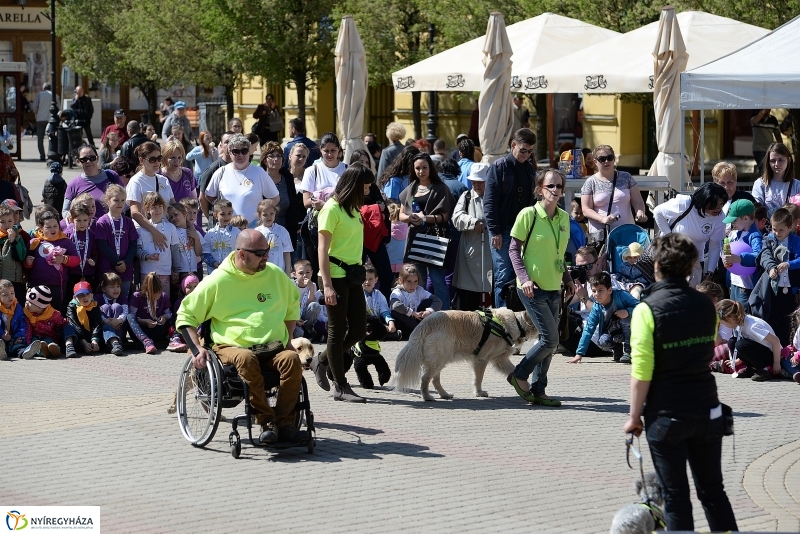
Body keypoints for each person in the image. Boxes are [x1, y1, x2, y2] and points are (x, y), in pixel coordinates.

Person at [623, 233, 738, 532]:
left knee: (675, 497)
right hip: (706, 407)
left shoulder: (646, 310)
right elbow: (711, 344)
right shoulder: (706, 305)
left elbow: (642, 371)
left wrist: (634, 417)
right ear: (689, 267)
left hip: (666, 413)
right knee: (713, 491)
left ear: (657, 265)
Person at [177, 229, 307, 445]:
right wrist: (195, 348)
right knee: (246, 358)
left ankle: (285, 423)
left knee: (292, 359)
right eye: (260, 253)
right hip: (231, 346)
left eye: (267, 251)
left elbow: (292, 305)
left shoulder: (275, 275)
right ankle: (267, 420)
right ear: (242, 254)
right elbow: (186, 315)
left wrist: (289, 338)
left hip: (272, 346)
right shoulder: (218, 280)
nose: (266, 256)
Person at [507, 169, 574, 407]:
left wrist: (567, 279)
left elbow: (560, 253)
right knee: (550, 339)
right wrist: (524, 278)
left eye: (559, 186)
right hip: (531, 287)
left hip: (554, 285)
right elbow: (513, 250)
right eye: (550, 186)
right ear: (539, 190)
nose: (555, 191)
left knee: (551, 341)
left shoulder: (564, 217)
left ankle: (539, 389)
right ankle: (519, 374)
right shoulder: (528, 215)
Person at [309, 164, 374, 403]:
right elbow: (322, 250)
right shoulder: (331, 209)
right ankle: (341, 386)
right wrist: (326, 285)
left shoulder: (353, 209)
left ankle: (322, 360)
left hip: (352, 276)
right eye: (364, 188)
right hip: (334, 276)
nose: (366, 192)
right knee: (336, 333)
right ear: (353, 187)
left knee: (358, 328)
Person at [484, 128, 538, 307]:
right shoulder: (499, 167)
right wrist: (495, 231)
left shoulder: (529, 168)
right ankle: (502, 319)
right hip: (504, 230)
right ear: (513, 145)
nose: (527, 155)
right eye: (523, 150)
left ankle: (518, 319)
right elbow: (489, 202)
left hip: (525, 230)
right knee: (503, 275)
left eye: (530, 151)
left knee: (522, 276)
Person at [398, 153, 455, 310]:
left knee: (438, 281)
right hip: (415, 240)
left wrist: (425, 218)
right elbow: (401, 215)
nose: (421, 171)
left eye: (424, 167)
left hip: (434, 241)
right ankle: (421, 315)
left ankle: (445, 316)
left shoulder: (440, 188)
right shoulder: (410, 188)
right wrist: (411, 218)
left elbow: (444, 216)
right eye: (417, 168)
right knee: (417, 280)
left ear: (431, 168)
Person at [653, 182, 727, 287]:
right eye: (715, 204)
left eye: (722, 204)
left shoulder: (720, 217)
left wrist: (709, 273)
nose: (719, 208)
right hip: (671, 257)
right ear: (704, 200)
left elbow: (714, 245)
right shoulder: (685, 203)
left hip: (695, 261)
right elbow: (657, 212)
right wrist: (670, 238)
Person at [204, 133, 279, 226]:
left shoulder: (259, 172)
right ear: (230, 153)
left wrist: (262, 215)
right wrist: (222, 210)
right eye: (236, 151)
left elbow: (275, 198)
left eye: (244, 151)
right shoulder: (221, 172)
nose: (240, 155)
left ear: (249, 152)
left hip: (253, 228)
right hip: (228, 229)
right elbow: (209, 195)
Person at [580, 145, 647, 243]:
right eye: (602, 159)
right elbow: (586, 210)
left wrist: (640, 212)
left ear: (614, 159)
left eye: (609, 158)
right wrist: (602, 219)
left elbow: (638, 201)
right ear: (595, 162)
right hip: (601, 236)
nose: (606, 161)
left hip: (626, 233)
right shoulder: (590, 182)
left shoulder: (626, 177)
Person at [568, 271, 638, 365]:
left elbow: (641, 306)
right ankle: (617, 349)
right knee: (602, 341)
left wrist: (627, 312)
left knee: (625, 319)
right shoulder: (597, 308)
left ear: (609, 290)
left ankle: (629, 351)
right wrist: (579, 354)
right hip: (614, 331)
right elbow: (588, 329)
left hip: (630, 329)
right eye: (594, 291)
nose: (596, 294)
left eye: (600, 290)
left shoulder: (621, 295)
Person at [753, 207, 800, 346]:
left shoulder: (795, 241)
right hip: (772, 288)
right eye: (774, 229)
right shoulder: (768, 239)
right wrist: (771, 268)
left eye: (781, 230)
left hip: (789, 288)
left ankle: (787, 348)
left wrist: (789, 264)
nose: (777, 233)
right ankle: (773, 348)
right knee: (771, 317)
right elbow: (764, 255)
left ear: (790, 227)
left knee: (787, 319)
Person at [452, 163, 492, 311]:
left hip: (492, 251)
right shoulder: (466, 196)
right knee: (469, 298)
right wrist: (473, 222)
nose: (476, 185)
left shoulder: (496, 195)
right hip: (471, 253)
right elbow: (456, 217)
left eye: (480, 182)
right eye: (474, 182)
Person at [24, 209, 80, 313]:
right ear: (41, 228)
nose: (53, 229)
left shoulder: (65, 242)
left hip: (57, 286)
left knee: (56, 313)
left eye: (55, 226)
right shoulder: (34, 242)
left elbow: (76, 260)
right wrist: (28, 263)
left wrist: (64, 259)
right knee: (37, 313)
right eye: (48, 227)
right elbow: (26, 266)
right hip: (37, 285)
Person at [126, 142, 175, 252]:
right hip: (145, 234)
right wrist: (154, 231)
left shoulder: (164, 180)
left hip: (166, 232)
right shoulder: (136, 181)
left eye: (159, 158)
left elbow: (173, 206)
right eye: (152, 159)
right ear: (141, 160)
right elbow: (135, 213)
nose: (157, 162)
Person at [716, 299, 781, 381]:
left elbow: (776, 341)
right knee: (732, 342)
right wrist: (738, 361)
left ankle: (763, 370)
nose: (722, 324)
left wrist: (776, 363)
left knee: (740, 344)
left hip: (772, 355)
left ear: (730, 319)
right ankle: (752, 368)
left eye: (723, 322)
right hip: (761, 353)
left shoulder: (753, 326)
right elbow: (749, 345)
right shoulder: (739, 323)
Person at [95, 184, 138, 302]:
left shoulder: (129, 222)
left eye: (123, 200)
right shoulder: (102, 222)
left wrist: (126, 262)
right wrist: (118, 263)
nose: (120, 203)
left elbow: (133, 244)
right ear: (107, 201)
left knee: (123, 299)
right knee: (106, 302)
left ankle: (122, 320)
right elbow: (103, 246)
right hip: (108, 270)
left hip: (126, 270)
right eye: (116, 200)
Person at [135, 192, 180, 300]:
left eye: (160, 206)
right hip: (147, 271)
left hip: (165, 270)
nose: (158, 210)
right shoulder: (141, 229)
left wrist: (176, 270)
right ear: (147, 209)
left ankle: (165, 316)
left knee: (163, 298)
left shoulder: (171, 228)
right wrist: (147, 256)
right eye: (154, 207)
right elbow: (137, 249)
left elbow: (174, 250)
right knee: (147, 298)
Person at [63, 144, 123, 220]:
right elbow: (65, 211)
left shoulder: (112, 176)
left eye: (92, 158)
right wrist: (80, 222)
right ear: (78, 162)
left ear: (97, 159)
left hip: (111, 228)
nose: (88, 161)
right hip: (86, 230)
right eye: (84, 159)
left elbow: (126, 201)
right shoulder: (74, 184)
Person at [64, 281, 124, 357]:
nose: (85, 297)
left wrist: (95, 340)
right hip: (79, 339)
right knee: (68, 327)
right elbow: (75, 324)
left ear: (92, 295)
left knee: (107, 327)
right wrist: (84, 342)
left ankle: (115, 345)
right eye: (81, 295)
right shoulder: (71, 307)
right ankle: (69, 347)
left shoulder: (95, 305)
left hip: (95, 337)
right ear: (75, 297)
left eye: (87, 294)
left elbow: (97, 324)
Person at [722, 199, 762, 306]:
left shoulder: (755, 236)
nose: (732, 223)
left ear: (745, 218)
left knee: (743, 315)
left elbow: (758, 256)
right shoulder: (738, 233)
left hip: (746, 286)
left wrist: (739, 258)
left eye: (734, 220)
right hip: (734, 282)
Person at [259, 141, 299, 249]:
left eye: (278, 156)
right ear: (264, 160)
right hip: (262, 232)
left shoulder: (287, 178)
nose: (276, 159)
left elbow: (293, 204)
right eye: (271, 156)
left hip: (285, 231)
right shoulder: (259, 178)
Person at [751, 142, 800, 218]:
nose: (776, 164)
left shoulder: (797, 185)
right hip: (767, 227)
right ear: (768, 162)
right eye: (773, 161)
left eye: (780, 160)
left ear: (789, 160)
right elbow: (756, 209)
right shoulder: (760, 184)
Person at [128, 272, 171, 354]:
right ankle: (146, 341)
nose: (157, 296)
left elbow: (169, 313)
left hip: (157, 330)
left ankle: (175, 339)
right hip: (141, 332)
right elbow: (132, 315)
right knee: (129, 317)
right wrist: (143, 321)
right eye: (154, 294)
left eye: (159, 292)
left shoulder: (163, 296)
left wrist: (165, 317)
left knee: (176, 317)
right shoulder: (137, 296)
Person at [20, 286, 66, 359]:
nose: (26, 304)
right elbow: (28, 329)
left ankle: (55, 350)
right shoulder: (28, 313)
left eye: (30, 302)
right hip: (35, 336)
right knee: (35, 343)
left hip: (49, 336)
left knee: (49, 342)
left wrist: (66, 325)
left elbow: (62, 323)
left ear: (40, 306)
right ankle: (43, 352)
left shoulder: (52, 314)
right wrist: (28, 342)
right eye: (27, 300)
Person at [64, 201, 98, 291]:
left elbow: (96, 251)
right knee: (71, 298)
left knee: (88, 298)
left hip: (88, 273)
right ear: (71, 220)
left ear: (89, 219)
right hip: (72, 273)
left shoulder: (92, 235)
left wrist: (94, 260)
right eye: (78, 220)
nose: (82, 223)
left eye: (85, 220)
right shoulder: (67, 235)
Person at [254, 198, 292, 276]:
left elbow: (287, 252)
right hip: (263, 271)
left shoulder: (282, 230)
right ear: (259, 215)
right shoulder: (257, 232)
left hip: (279, 271)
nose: (269, 217)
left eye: (271, 213)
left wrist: (288, 270)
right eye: (265, 215)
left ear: (275, 212)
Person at [202, 199, 240, 274]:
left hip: (231, 271)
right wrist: (213, 263)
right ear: (215, 215)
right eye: (223, 214)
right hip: (214, 272)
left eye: (229, 213)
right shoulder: (210, 233)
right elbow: (205, 253)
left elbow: (240, 251)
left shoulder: (236, 232)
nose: (227, 217)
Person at [293, 259, 326, 341]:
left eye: (307, 272)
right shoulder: (292, 285)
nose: (304, 275)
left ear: (311, 273)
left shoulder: (313, 285)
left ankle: (308, 328)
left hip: (304, 314)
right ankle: (301, 331)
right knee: (298, 334)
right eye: (301, 273)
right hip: (293, 317)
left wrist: (311, 288)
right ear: (294, 274)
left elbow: (310, 303)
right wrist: (295, 320)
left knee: (315, 305)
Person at [0, 205, 27, 303]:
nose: (7, 225)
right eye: (2, 222)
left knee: (17, 305)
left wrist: (13, 241)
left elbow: (20, 257)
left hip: (15, 280)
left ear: (14, 221)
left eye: (10, 221)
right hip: (1, 280)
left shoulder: (18, 237)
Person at [160, 140, 197, 205]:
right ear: (164, 158)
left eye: (179, 157)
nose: (177, 161)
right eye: (173, 158)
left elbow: (194, 198)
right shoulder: (158, 175)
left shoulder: (187, 173)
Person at [0, 279, 27, 360]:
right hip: (1, 337)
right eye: (5, 295)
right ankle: (2, 352)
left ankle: (23, 353)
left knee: (18, 346)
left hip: (13, 338)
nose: (10, 297)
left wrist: (18, 336)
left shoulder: (17, 308)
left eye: (12, 293)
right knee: (1, 342)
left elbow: (22, 325)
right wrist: (2, 334)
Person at [751, 109, 782, 176]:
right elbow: (754, 121)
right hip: (758, 149)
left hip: (770, 149)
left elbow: (777, 135)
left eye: (769, 109)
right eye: (766, 109)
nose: (768, 110)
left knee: (771, 169)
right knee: (763, 169)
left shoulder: (773, 119)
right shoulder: (755, 117)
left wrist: (781, 148)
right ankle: (764, 184)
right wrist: (762, 113)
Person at [31, 83, 55, 161]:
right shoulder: (53, 95)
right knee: (51, 138)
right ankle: (50, 153)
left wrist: (36, 113)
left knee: (40, 139)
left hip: (40, 119)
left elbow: (34, 107)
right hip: (50, 119)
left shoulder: (40, 94)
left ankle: (42, 155)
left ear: (43, 88)